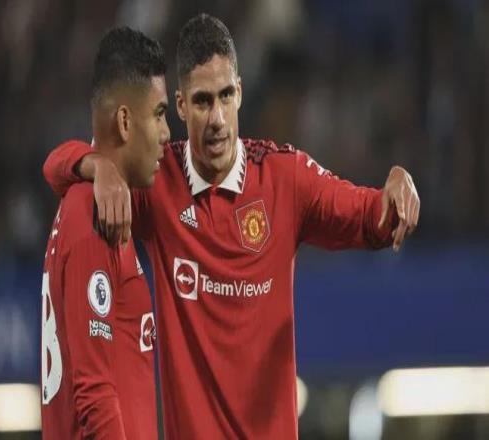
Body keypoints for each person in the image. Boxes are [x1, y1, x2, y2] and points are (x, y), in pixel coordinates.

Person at [43, 14, 420, 439]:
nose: (217, 118)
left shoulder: (286, 179)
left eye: (225, 96)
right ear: (180, 106)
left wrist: (397, 185)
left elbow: (373, 216)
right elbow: (55, 167)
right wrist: (98, 166)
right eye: (203, 101)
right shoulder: (159, 183)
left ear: (240, 92)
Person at [40, 26, 169, 439]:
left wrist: (95, 164)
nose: (167, 133)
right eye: (159, 114)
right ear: (125, 121)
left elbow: (53, 165)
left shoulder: (97, 201)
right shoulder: (91, 217)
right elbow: (94, 395)